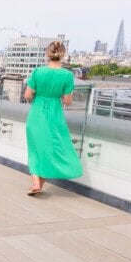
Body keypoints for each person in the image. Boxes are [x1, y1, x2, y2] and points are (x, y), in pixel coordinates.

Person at [24, 40, 83, 195]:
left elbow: (28, 95)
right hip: (55, 116)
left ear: (47, 54)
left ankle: (36, 184)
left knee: (36, 149)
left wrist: (39, 95)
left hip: (36, 114)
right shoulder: (67, 75)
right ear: (63, 55)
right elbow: (68, 101)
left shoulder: (37, 72)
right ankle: (38, 184)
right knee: (54, 149)